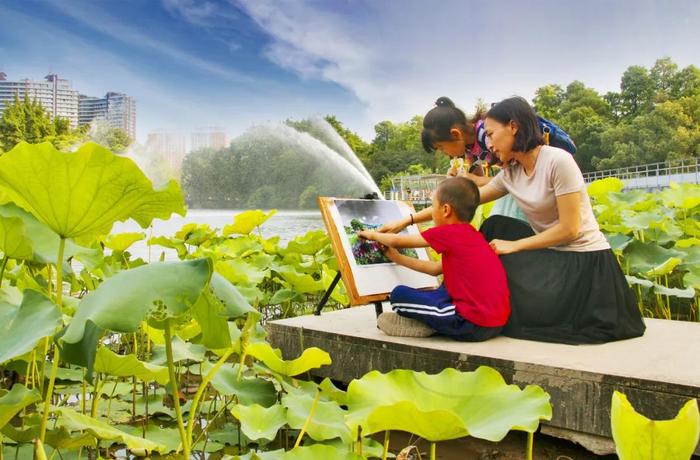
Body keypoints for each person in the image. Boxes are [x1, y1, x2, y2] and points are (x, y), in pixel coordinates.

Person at [382, 96, 645, 345]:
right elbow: (462, 203)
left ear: (514, 127)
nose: (490, 144)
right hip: (552, 255)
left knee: (501, 246)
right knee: (495, 226)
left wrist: (515, 246)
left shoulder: (558, 162)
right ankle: (449, 304)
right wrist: (408, 219)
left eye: (493, 135)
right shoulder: (511, 173)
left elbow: (570, 229)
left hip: (583, 264)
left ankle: (451, 317)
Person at [358, 177, 510, 341]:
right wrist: (398, 258)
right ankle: (434, 321)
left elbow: (396, 240)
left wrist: (371, 234)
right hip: (496, 323)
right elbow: (435, 269)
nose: (431, 212)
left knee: (398, 295)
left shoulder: (448, 232)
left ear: (446, 210)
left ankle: (428, 324)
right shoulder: (474, 236)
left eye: (432, 206)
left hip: (470, 323)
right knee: (442, 292)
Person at [422, 97, 528, 221]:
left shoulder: (486, 135)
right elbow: (478, 183)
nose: (444, 153)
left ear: (455, 134)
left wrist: (475, 179)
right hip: (513, 185)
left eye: (441, 147)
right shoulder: (469, 148)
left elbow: (516, 178)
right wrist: (459, 181)